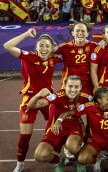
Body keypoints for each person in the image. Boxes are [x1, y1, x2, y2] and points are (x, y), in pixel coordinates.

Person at [3, 28, 61, 172]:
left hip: (48, 98)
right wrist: (26, 34)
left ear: (51, 48)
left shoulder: (54, 58)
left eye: (47, 46)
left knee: (58, 128)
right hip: (30, 98)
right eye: (41, 45)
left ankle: (58, 154)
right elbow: (7, 46)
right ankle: (20, 163)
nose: (44, 48)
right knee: (25, 135)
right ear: (36, 47)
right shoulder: (29, 57)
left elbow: (71, 51)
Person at [55, 87, 108, 172]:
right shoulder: (89, 106)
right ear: (99, 100)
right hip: (95, 140)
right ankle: (95, 160)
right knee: (82, 159)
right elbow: (69, 112)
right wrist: (59, 120)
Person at [27, 75, 93, 172]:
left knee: (73, 146)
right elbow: (32, 105)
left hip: (74, 127)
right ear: (64, 86)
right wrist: (38, 95)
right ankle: (59, 160)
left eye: (76, 87)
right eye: (70, 86)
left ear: (80, 87)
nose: (73, 90)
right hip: (56, 128)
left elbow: (99, 102)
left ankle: (80, 162)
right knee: (39, 155)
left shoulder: (86, 97)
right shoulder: (58, 96)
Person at [54, 22, 97, 95]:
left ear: (87, 34)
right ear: (73, 33)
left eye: (83, 31)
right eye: (77, 31)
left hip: (86, 84)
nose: (80, 33)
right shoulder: (64, 47)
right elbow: (47, 53)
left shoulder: (94, 46)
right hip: (68, 83)